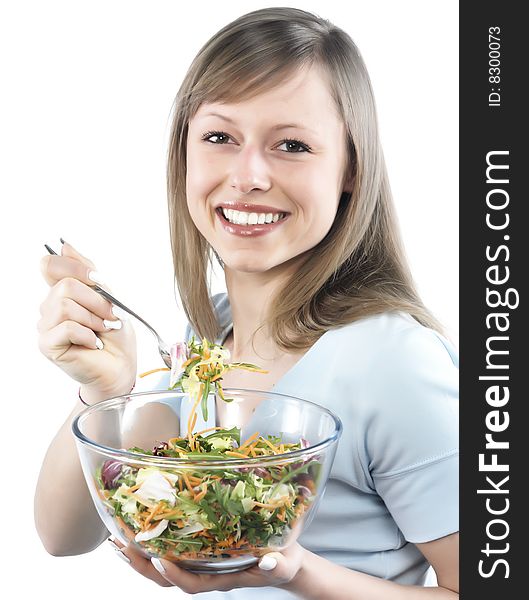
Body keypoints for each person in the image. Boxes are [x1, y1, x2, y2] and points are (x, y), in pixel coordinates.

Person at [35, 7, 459, 599]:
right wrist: (109, 394)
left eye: (291, 144)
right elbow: (63, 536)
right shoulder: (208, 338)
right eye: (219, 137)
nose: (248, 175)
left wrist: (298, 571)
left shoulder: (395, 365)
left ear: (351, 170)